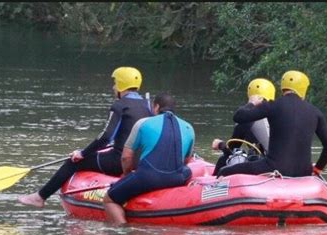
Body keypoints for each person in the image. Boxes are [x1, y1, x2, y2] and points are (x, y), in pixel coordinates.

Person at [18, 67, 153, 208]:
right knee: (100, 153)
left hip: (119, 162)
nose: (113, 87)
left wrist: (82, 154)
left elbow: (106, 137)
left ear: (121, 84)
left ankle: (40, 197)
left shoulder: (119, 105)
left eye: (115, 83)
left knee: (73, 162)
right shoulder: (148, 105)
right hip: (142, 162)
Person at [218, 70, 327, 178]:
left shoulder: (273, 106)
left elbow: (239, 117)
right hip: (303, 172)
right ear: (303, 88)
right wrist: (318, 169)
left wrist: (251, 103)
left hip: (273, 167)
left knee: (224, 171)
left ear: (283, 87)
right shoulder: (315, 112)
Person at [103, 94, 195, 224]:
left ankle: (121, 231)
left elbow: (126, 157)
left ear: (156, 107)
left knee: (109, 199)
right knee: (188, 171)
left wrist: (127, 175)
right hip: (176, 178)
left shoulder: (143, 123)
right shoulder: (189, 128)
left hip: (148, 177)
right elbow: (186, 160)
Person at [211, 78, 275, 175]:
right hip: (285, 164)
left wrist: (220, 144)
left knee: (223, 160)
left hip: (266, 165)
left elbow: (230, 150)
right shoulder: (279, 113)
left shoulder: (247, 117)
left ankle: (212, 186)